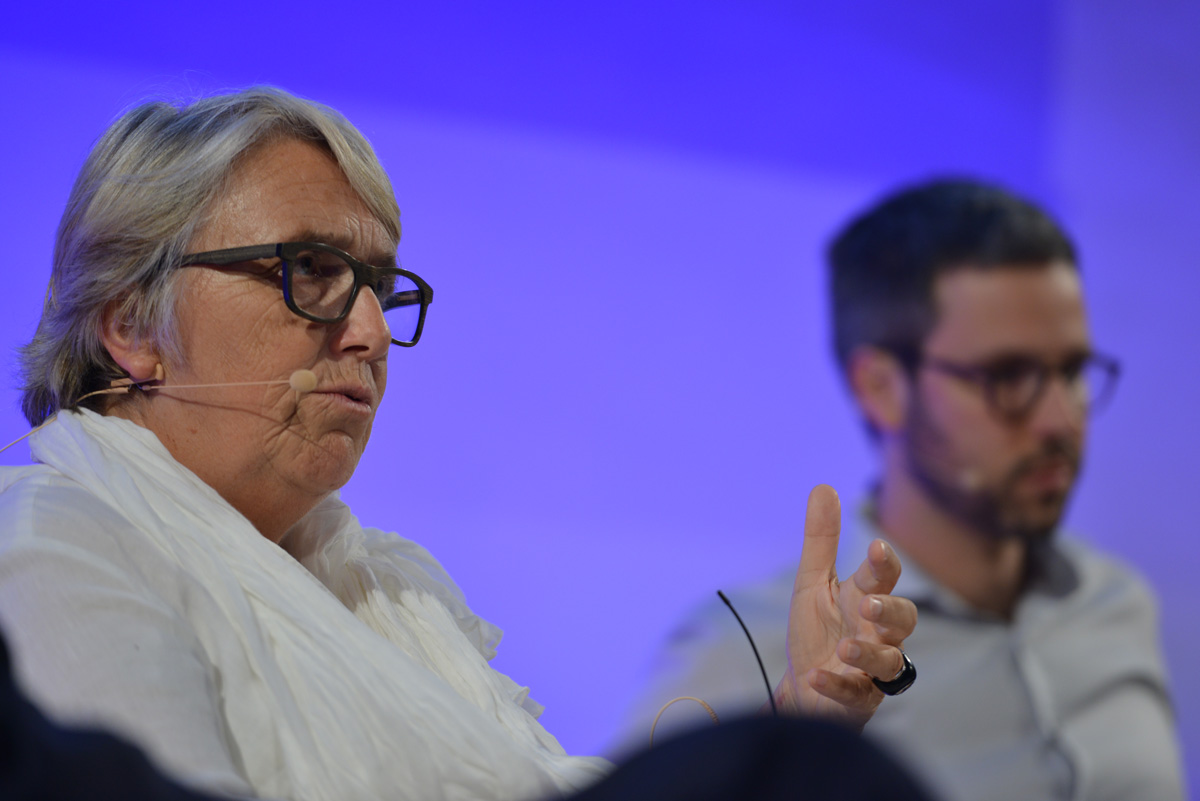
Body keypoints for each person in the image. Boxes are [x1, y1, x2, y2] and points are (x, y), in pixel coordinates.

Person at [0, 87, 917, 800]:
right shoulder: (57, 545)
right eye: (311, 271)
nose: (370, 332)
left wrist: (797, 723)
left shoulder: (388, 590)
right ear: (132, 325)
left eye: (380, 287)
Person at [618, 180, 1185, 801]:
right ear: (881, 388)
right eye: (1008, 375)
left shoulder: (1117, 602)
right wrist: (795, 736)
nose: (1060, 417)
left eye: (1071, 371)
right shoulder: (747, 655)